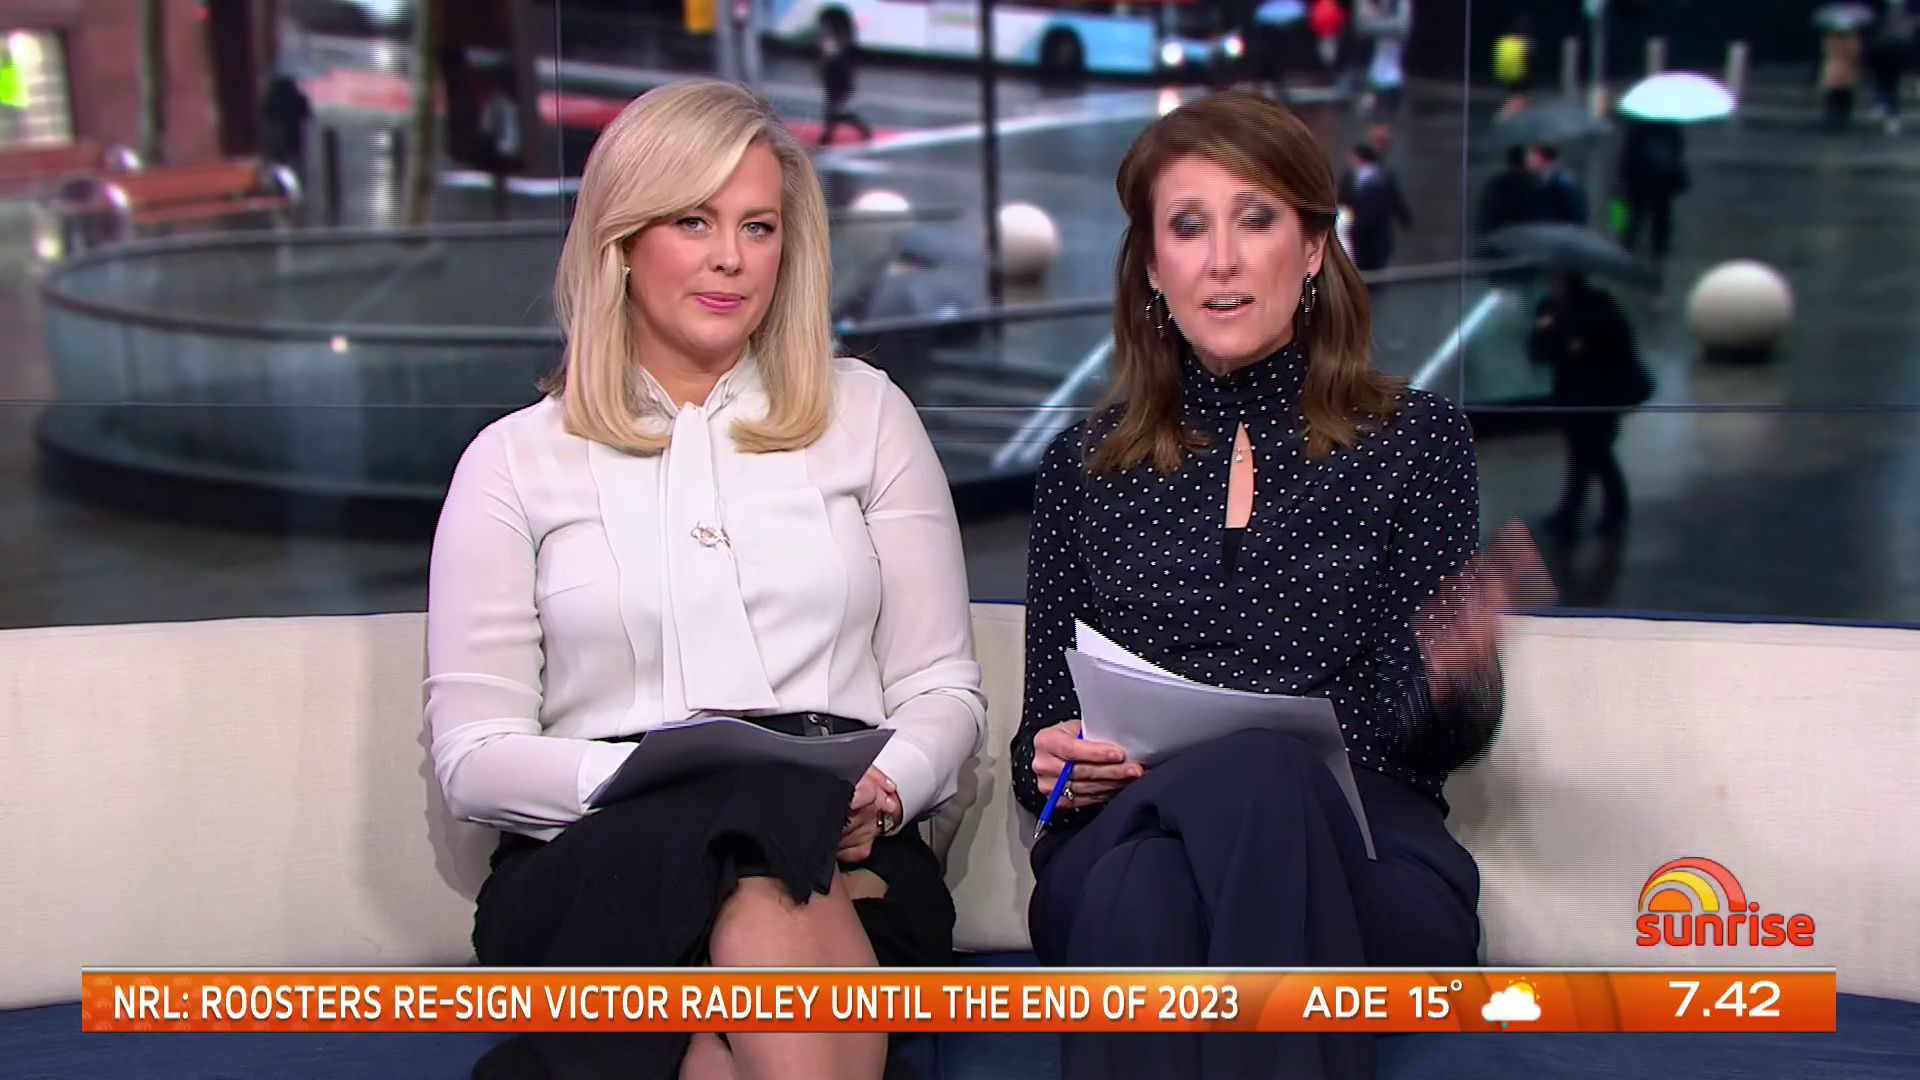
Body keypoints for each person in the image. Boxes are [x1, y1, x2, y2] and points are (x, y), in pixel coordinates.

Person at [426, 79, 986, 1080]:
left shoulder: (869, 416)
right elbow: (473, 755)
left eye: (758, 227)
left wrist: (887, 789)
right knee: (753, 821)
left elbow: (942, 688)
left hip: (842, 836)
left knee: (750, 914)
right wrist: (662, 787)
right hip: (597, 855)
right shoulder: (513, 462)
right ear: (622, 240)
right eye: (694, 221)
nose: (732, 256)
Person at [1012, 90, 1547, 1080]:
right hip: (1125, 829)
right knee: (1168, 853)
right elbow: (1036, 757)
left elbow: (1435, 742)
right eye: (1188, 226)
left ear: (1310, 250)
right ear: (1152, 265)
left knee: (1169, 876)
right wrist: (1056, 769)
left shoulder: (1417, 441)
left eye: (1254, 219)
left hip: (1366, 859)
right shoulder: (1081, 469)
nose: (1221, 258)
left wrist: (1453, 673)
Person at [1528, 270, 1650, 540]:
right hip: (1570, 395)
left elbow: (1617, 353)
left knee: (1596, 454)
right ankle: (1574, 511)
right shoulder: (1551, 310)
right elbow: (1539, 352)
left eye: (1559, 281)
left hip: (1598, 397)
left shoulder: (1600, 314)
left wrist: (1583, 347)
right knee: (1583, 455)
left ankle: (1603, 511)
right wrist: (1548, 333)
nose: (1554, 286)